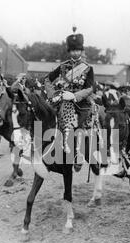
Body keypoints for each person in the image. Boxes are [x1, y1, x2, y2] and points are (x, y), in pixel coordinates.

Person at [44, 27, 95, 169]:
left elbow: (90, 88)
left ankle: (78, 154)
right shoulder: (62, 67)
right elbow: (47, 79)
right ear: (69, 51)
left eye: (77, 50)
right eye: (72, 50)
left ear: (81, 50)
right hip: (61, 99)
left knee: (81, 124)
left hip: (80, 102)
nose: (75, 53)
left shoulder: (88, 68)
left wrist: (74, 96)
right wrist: (53, 94)